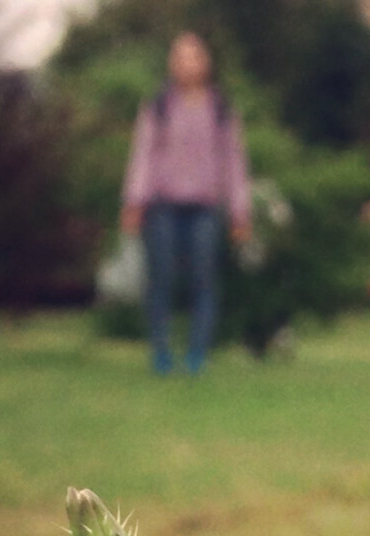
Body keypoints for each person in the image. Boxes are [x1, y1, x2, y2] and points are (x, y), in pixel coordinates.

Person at [120, 32, 251, 375]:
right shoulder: (159, 106)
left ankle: (197, 354)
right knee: (160, 279)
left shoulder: (220, 109)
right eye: (180, 57)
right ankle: (161, 353)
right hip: (163, 205)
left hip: (205, 207)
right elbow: (143, 156)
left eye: (194, 57)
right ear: (171, 64)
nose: (187, 64)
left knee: (203, 280)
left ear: (206, 63)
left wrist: (240, 210)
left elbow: (234, 162)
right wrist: (135, 201)